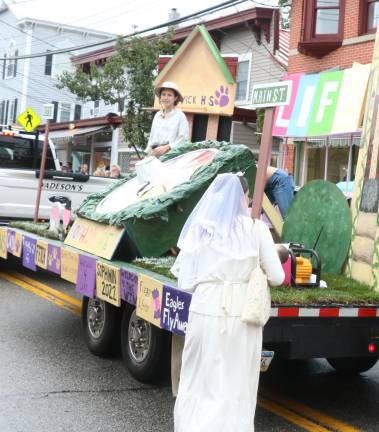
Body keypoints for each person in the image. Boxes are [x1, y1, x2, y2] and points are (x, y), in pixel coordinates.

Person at [172, 173, 284, 432]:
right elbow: (277, 277)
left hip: (203, 309)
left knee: (199, 378)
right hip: (239, 314)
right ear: (243, 198)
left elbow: (185, 282)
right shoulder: (255, 229)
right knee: (234, 382)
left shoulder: (201, 230)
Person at [146, 81, 189, 157]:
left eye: (169, 95)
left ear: (175, 98)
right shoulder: (157, 115)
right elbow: (151, 138)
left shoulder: (180, 116)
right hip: (154, 155)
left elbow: (183, 140)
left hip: (171, 155)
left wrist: (167, 147)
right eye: (163, 94)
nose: (166, 97)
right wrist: (148, 152)